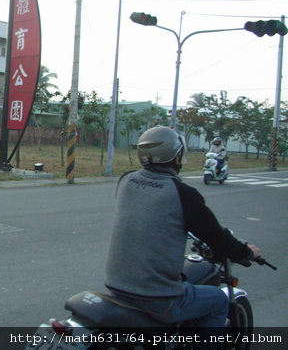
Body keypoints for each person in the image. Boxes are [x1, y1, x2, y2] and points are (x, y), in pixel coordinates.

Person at [104, 126, 261, 350]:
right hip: (158, 297)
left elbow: (151, 214)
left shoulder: (127, 181)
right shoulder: (182, 193)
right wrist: (247, 252)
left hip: (117, 286)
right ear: (177, 156)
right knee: (218, 300)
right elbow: (216, 236)